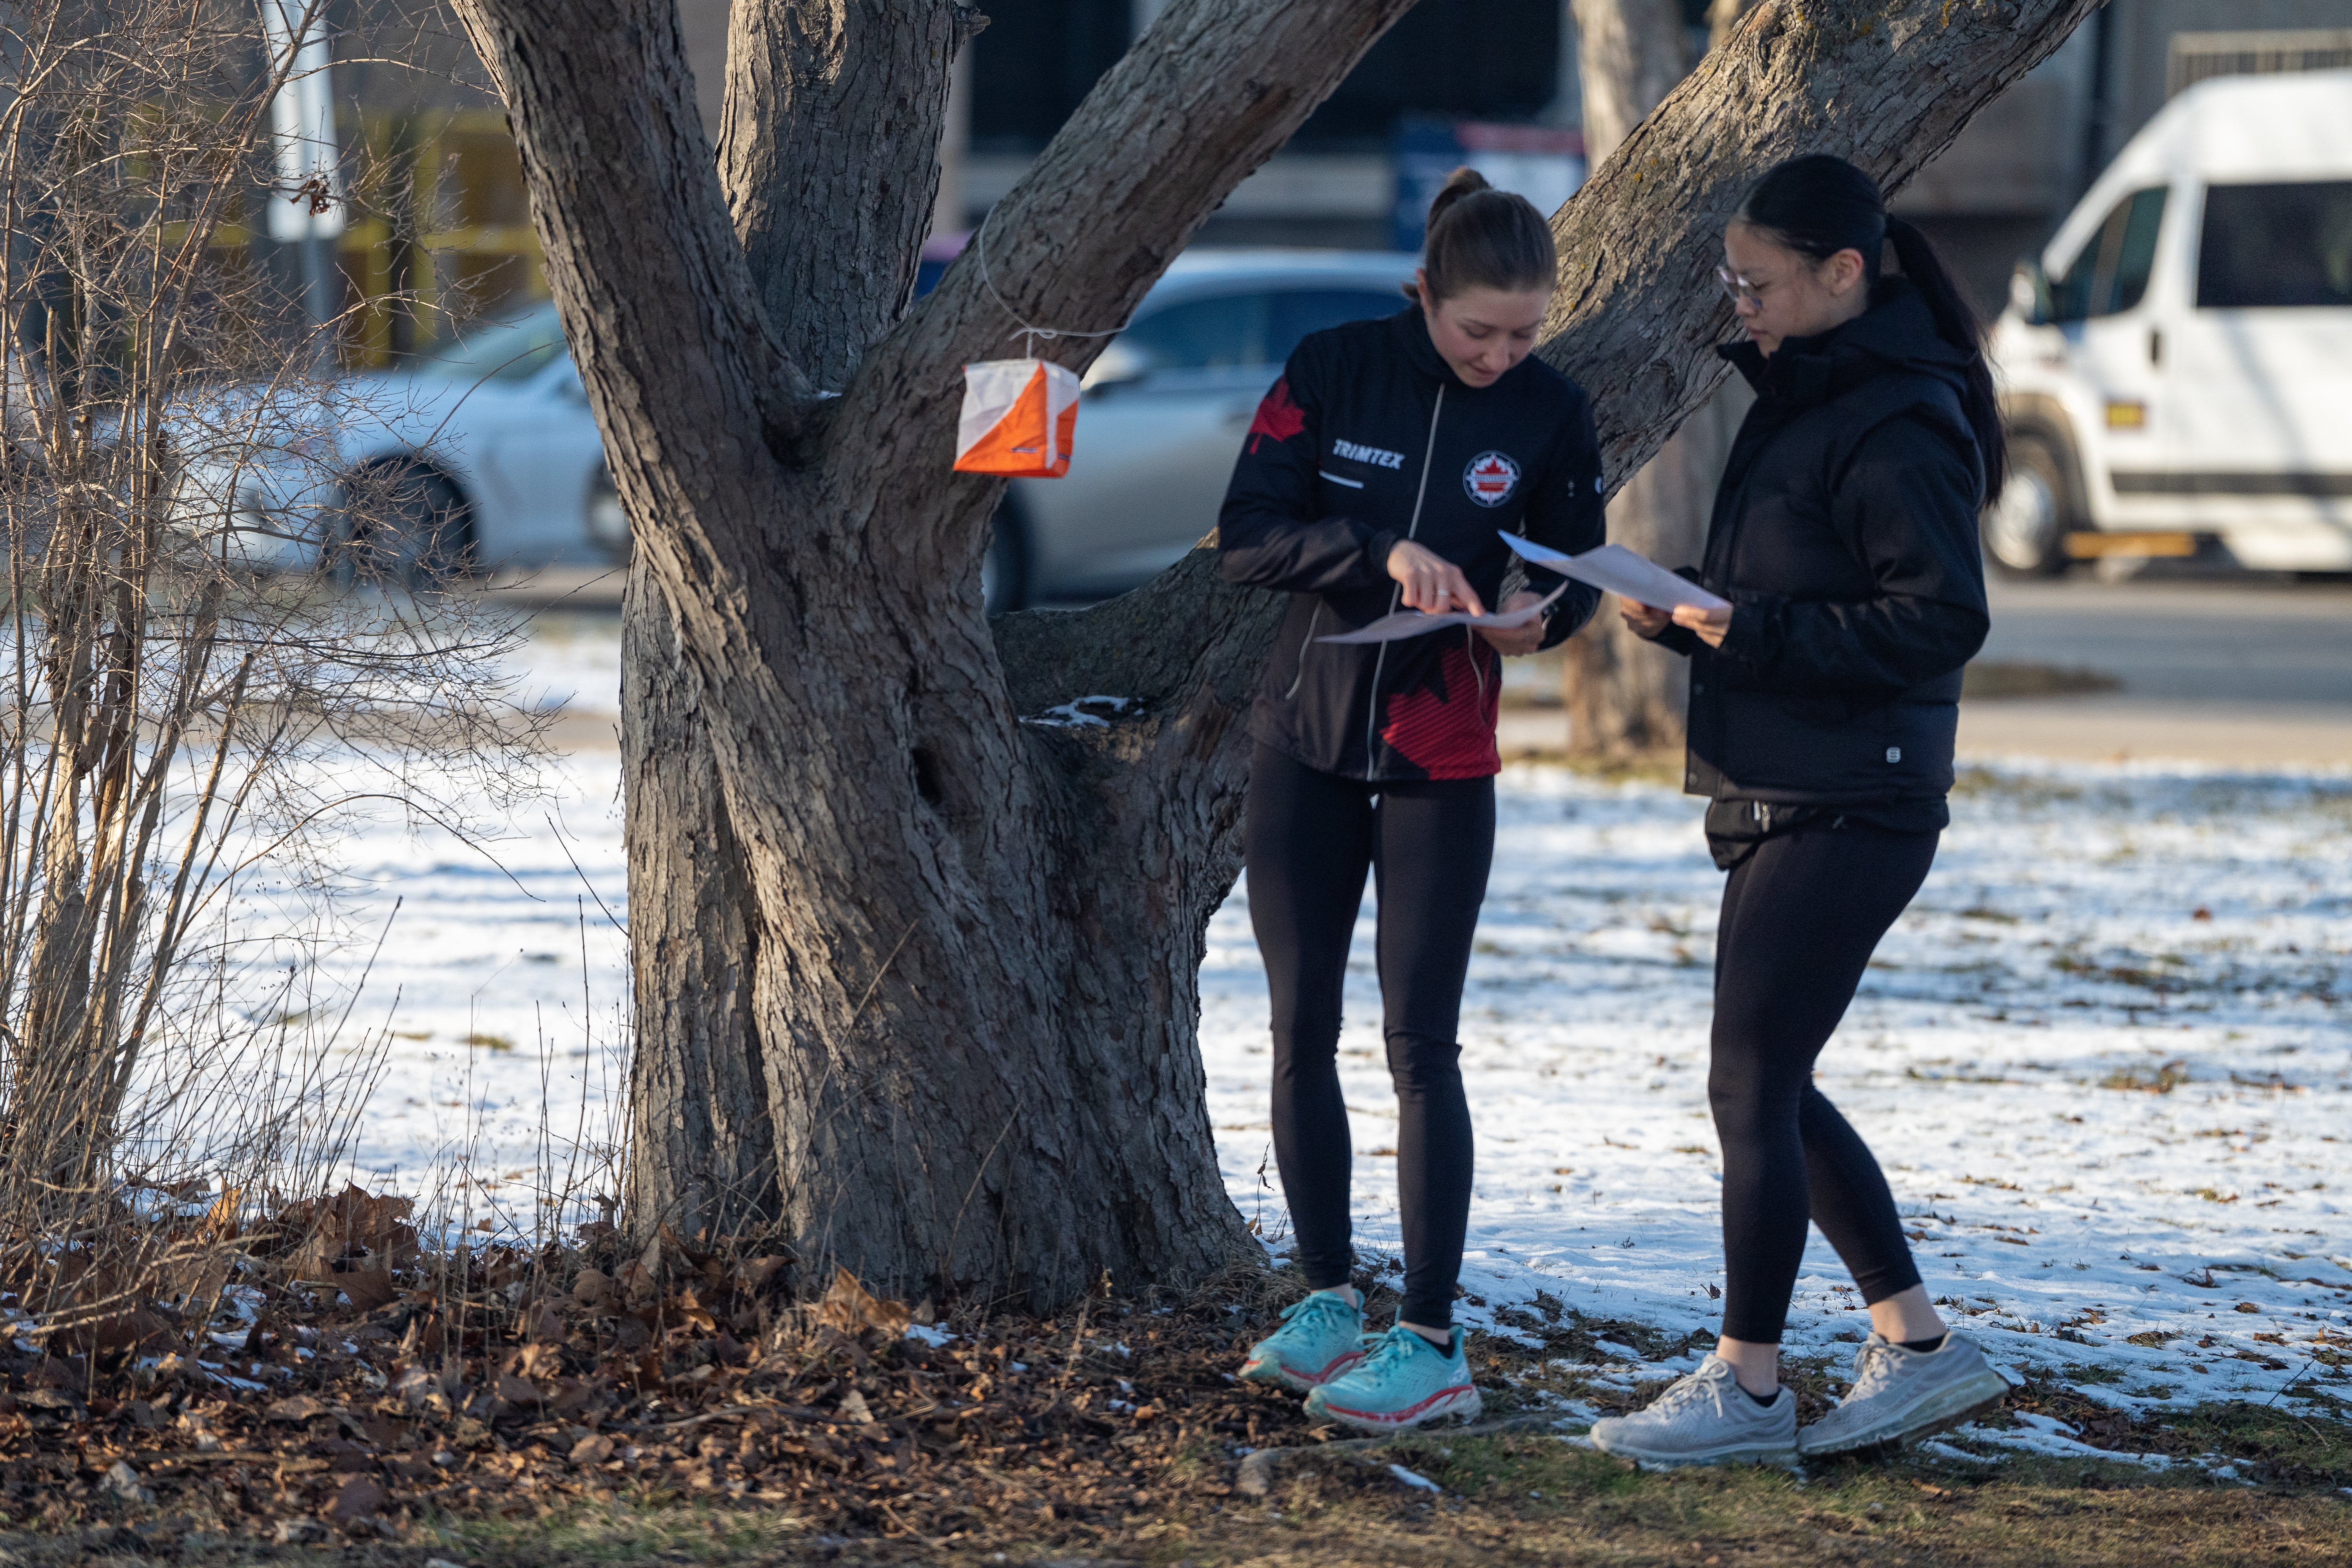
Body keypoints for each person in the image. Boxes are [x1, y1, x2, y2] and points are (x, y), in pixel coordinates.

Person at [1588, 154, 2012, 1467]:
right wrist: (1694, 609)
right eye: (1736, 281)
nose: (1742, 306)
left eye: (1759, 283)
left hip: (1856, 793)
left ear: (1843, 273)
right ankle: (1922, 1346)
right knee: (1771, 1080)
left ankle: (1750, 1386)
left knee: (1752, 1081)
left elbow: (1937, 619)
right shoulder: (1815, 389)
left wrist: (1739, 624)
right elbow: (1796, 586)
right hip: (1798, 779)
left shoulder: (1897, 414)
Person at [1216, 168, 1605, 1435]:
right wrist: (1374, 551)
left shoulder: (1553, 413)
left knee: (1421, 1047)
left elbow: (1577, 571)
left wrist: (1545, 621)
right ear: (1422, 295)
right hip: (1307, 741)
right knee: (1298, 1031)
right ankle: (1326, 1298)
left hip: (1444, 756)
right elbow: (1249, 531)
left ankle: (1432, 1338)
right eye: (1476, 329)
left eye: (1525, 334)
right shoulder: (1335, 368)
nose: (1501, 355)